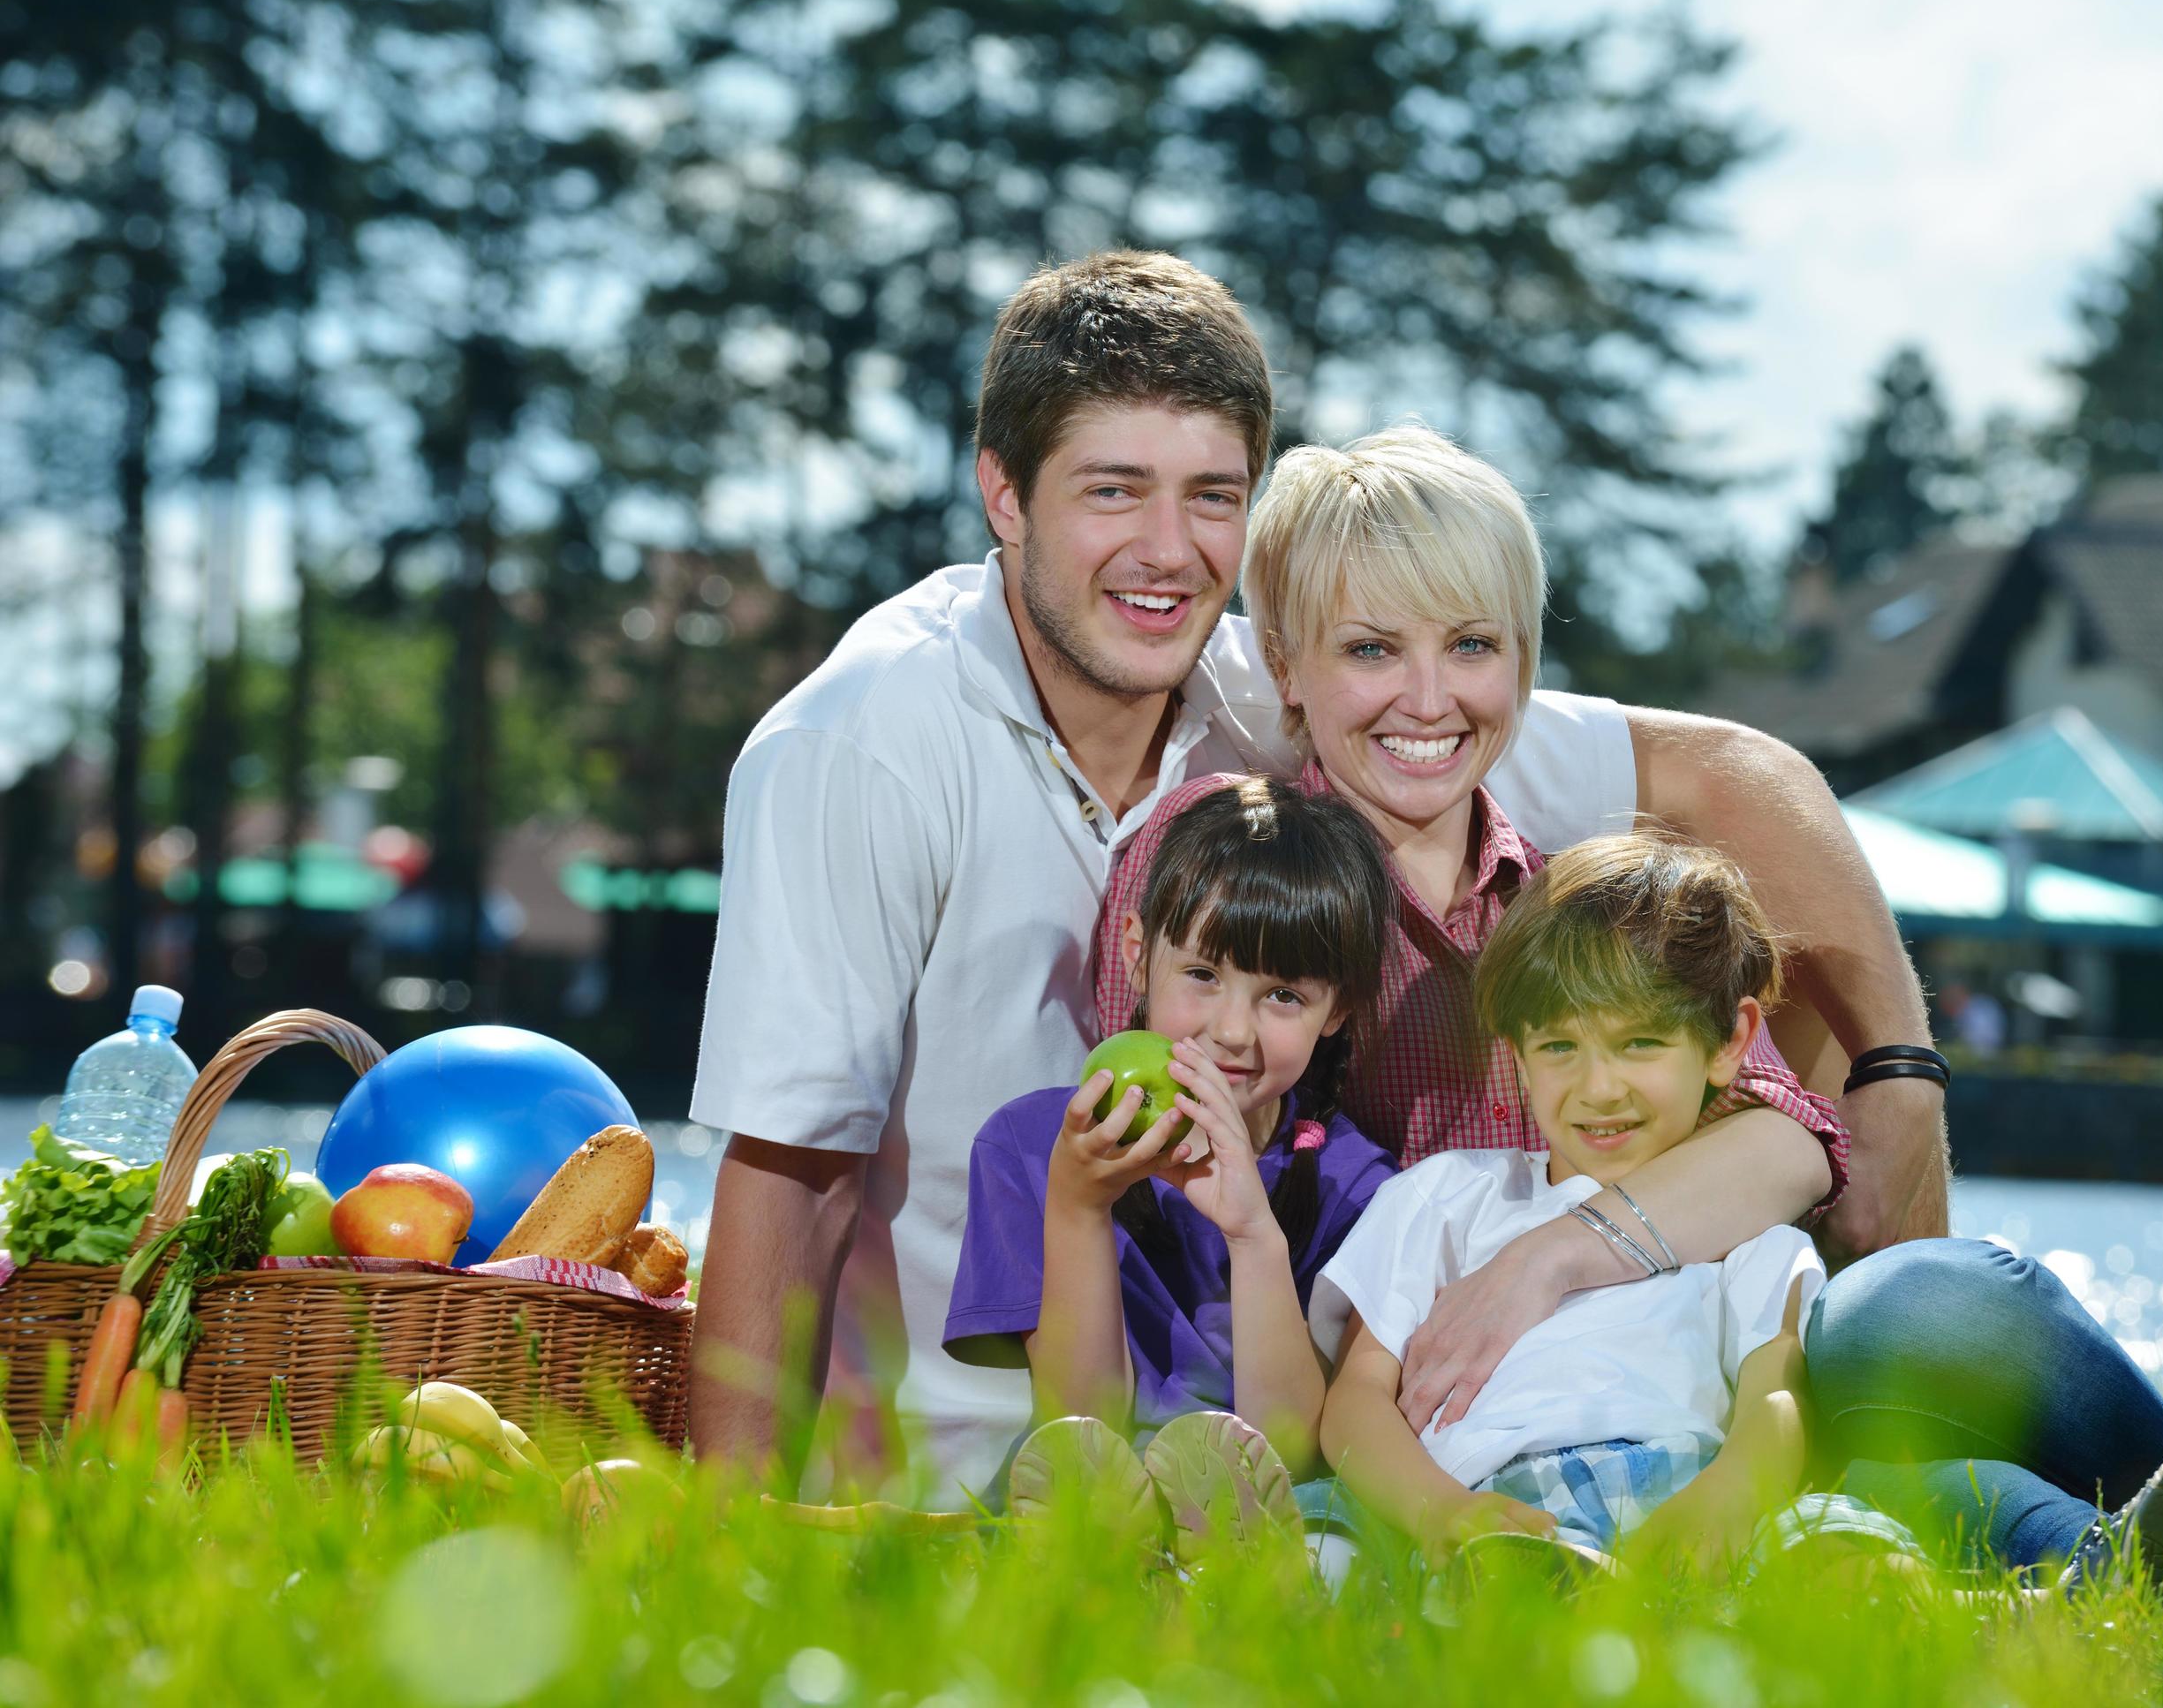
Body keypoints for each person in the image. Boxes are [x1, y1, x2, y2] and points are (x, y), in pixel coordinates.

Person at [688, 250, 1948, 1498]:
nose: (1168, 552)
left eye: (1213, 497)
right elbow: (793, 1162)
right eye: (1114, 491)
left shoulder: (1299, 692)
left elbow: (1729, 773)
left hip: (1556, 1394)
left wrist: (1896, 1066)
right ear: (1003, 496)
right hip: (1035, 1438)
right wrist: (726, 1532)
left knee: (1949, 1316)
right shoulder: (870, 744)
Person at [1093, 426, 1855, 1415]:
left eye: (1471, 646)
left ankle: (2098, 1529)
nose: (1427, 699)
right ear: (1285, 665)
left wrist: (1547, 1259)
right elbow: (1148, 1162)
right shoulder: (1226, 862)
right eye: (1371, 648)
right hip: (1344, 1417)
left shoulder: (1571, 910)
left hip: (1640, 1384)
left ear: (1524, 664)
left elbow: (1797, 1139)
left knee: (1943, 1308)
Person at [1313, 832, 2163, 1599]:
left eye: (1641, 1042)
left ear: (1731, 1041)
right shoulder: (1444, 1198)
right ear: (1514, 1054)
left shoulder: (1737, 1230)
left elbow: (1774, 1395)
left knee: (1860, 1529)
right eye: (1558, 1046)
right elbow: (1357, 1399)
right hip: (1481, 1501)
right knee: (1321, 1528)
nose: (1598, 1085)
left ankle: (2114, 1569)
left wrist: (1725, 1499)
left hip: (1682, 1491)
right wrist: (1445, 1515)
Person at [942, 777, 1396, 1553]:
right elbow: (1080, 1419)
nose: (1231, 1031)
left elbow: (1289, 1450)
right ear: (1135, 952)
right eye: (1202, 975)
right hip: (1084, 1495)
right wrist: (1079, 1206)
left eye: (1283, 995)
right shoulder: (1029, 1144)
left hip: (1269, 1515)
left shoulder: (1358, 1185)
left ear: (1338, 1013)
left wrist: (1254, 1233)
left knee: (1330, 1540)